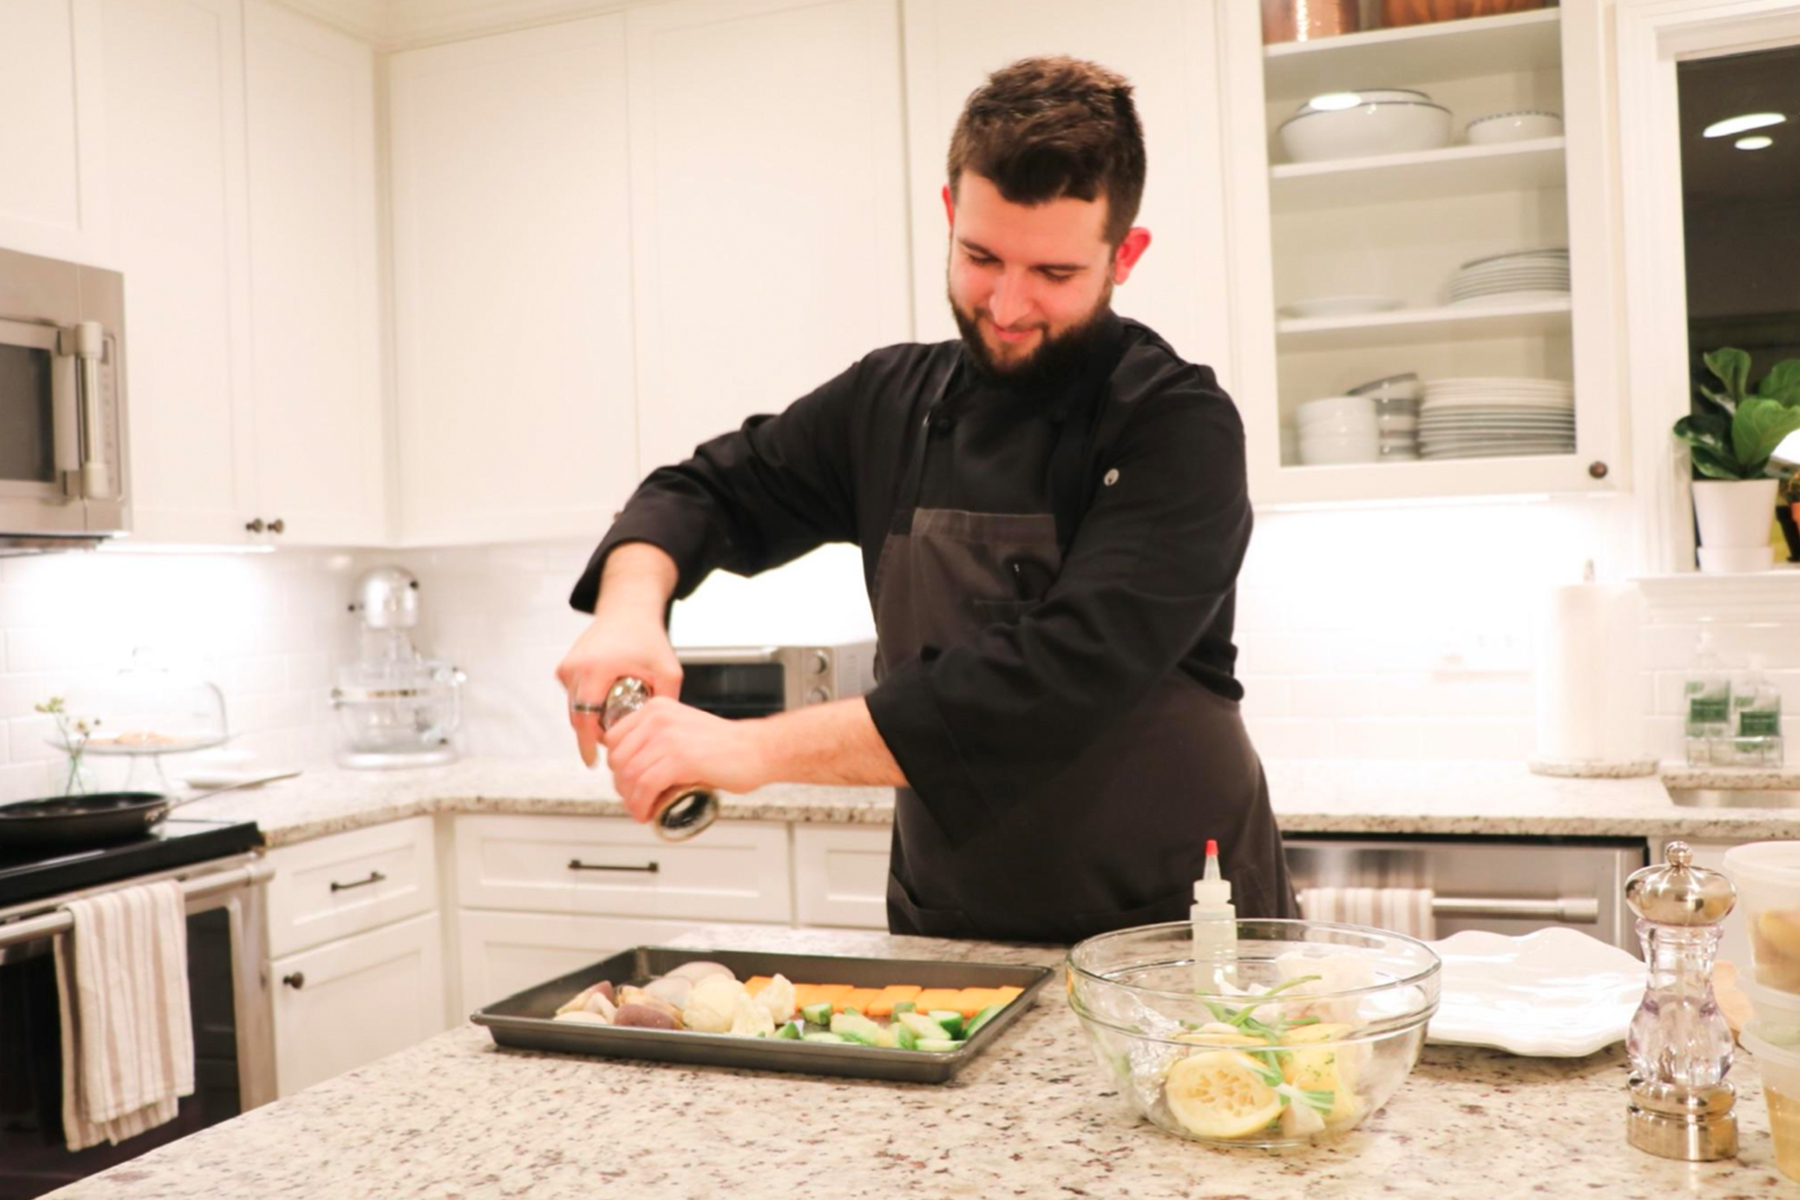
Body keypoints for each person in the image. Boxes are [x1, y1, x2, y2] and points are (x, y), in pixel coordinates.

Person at [557, 55, 1298, 943]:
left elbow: (1061, 676)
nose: (1009, 305)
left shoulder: (1178, 426)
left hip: (1174, 933)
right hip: (949, 926)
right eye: (981, 257)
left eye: (1054, 275)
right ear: (950, 215)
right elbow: (705, 489)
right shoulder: (888, 404)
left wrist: (748, 747)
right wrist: (628, 609)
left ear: (1124, 256)